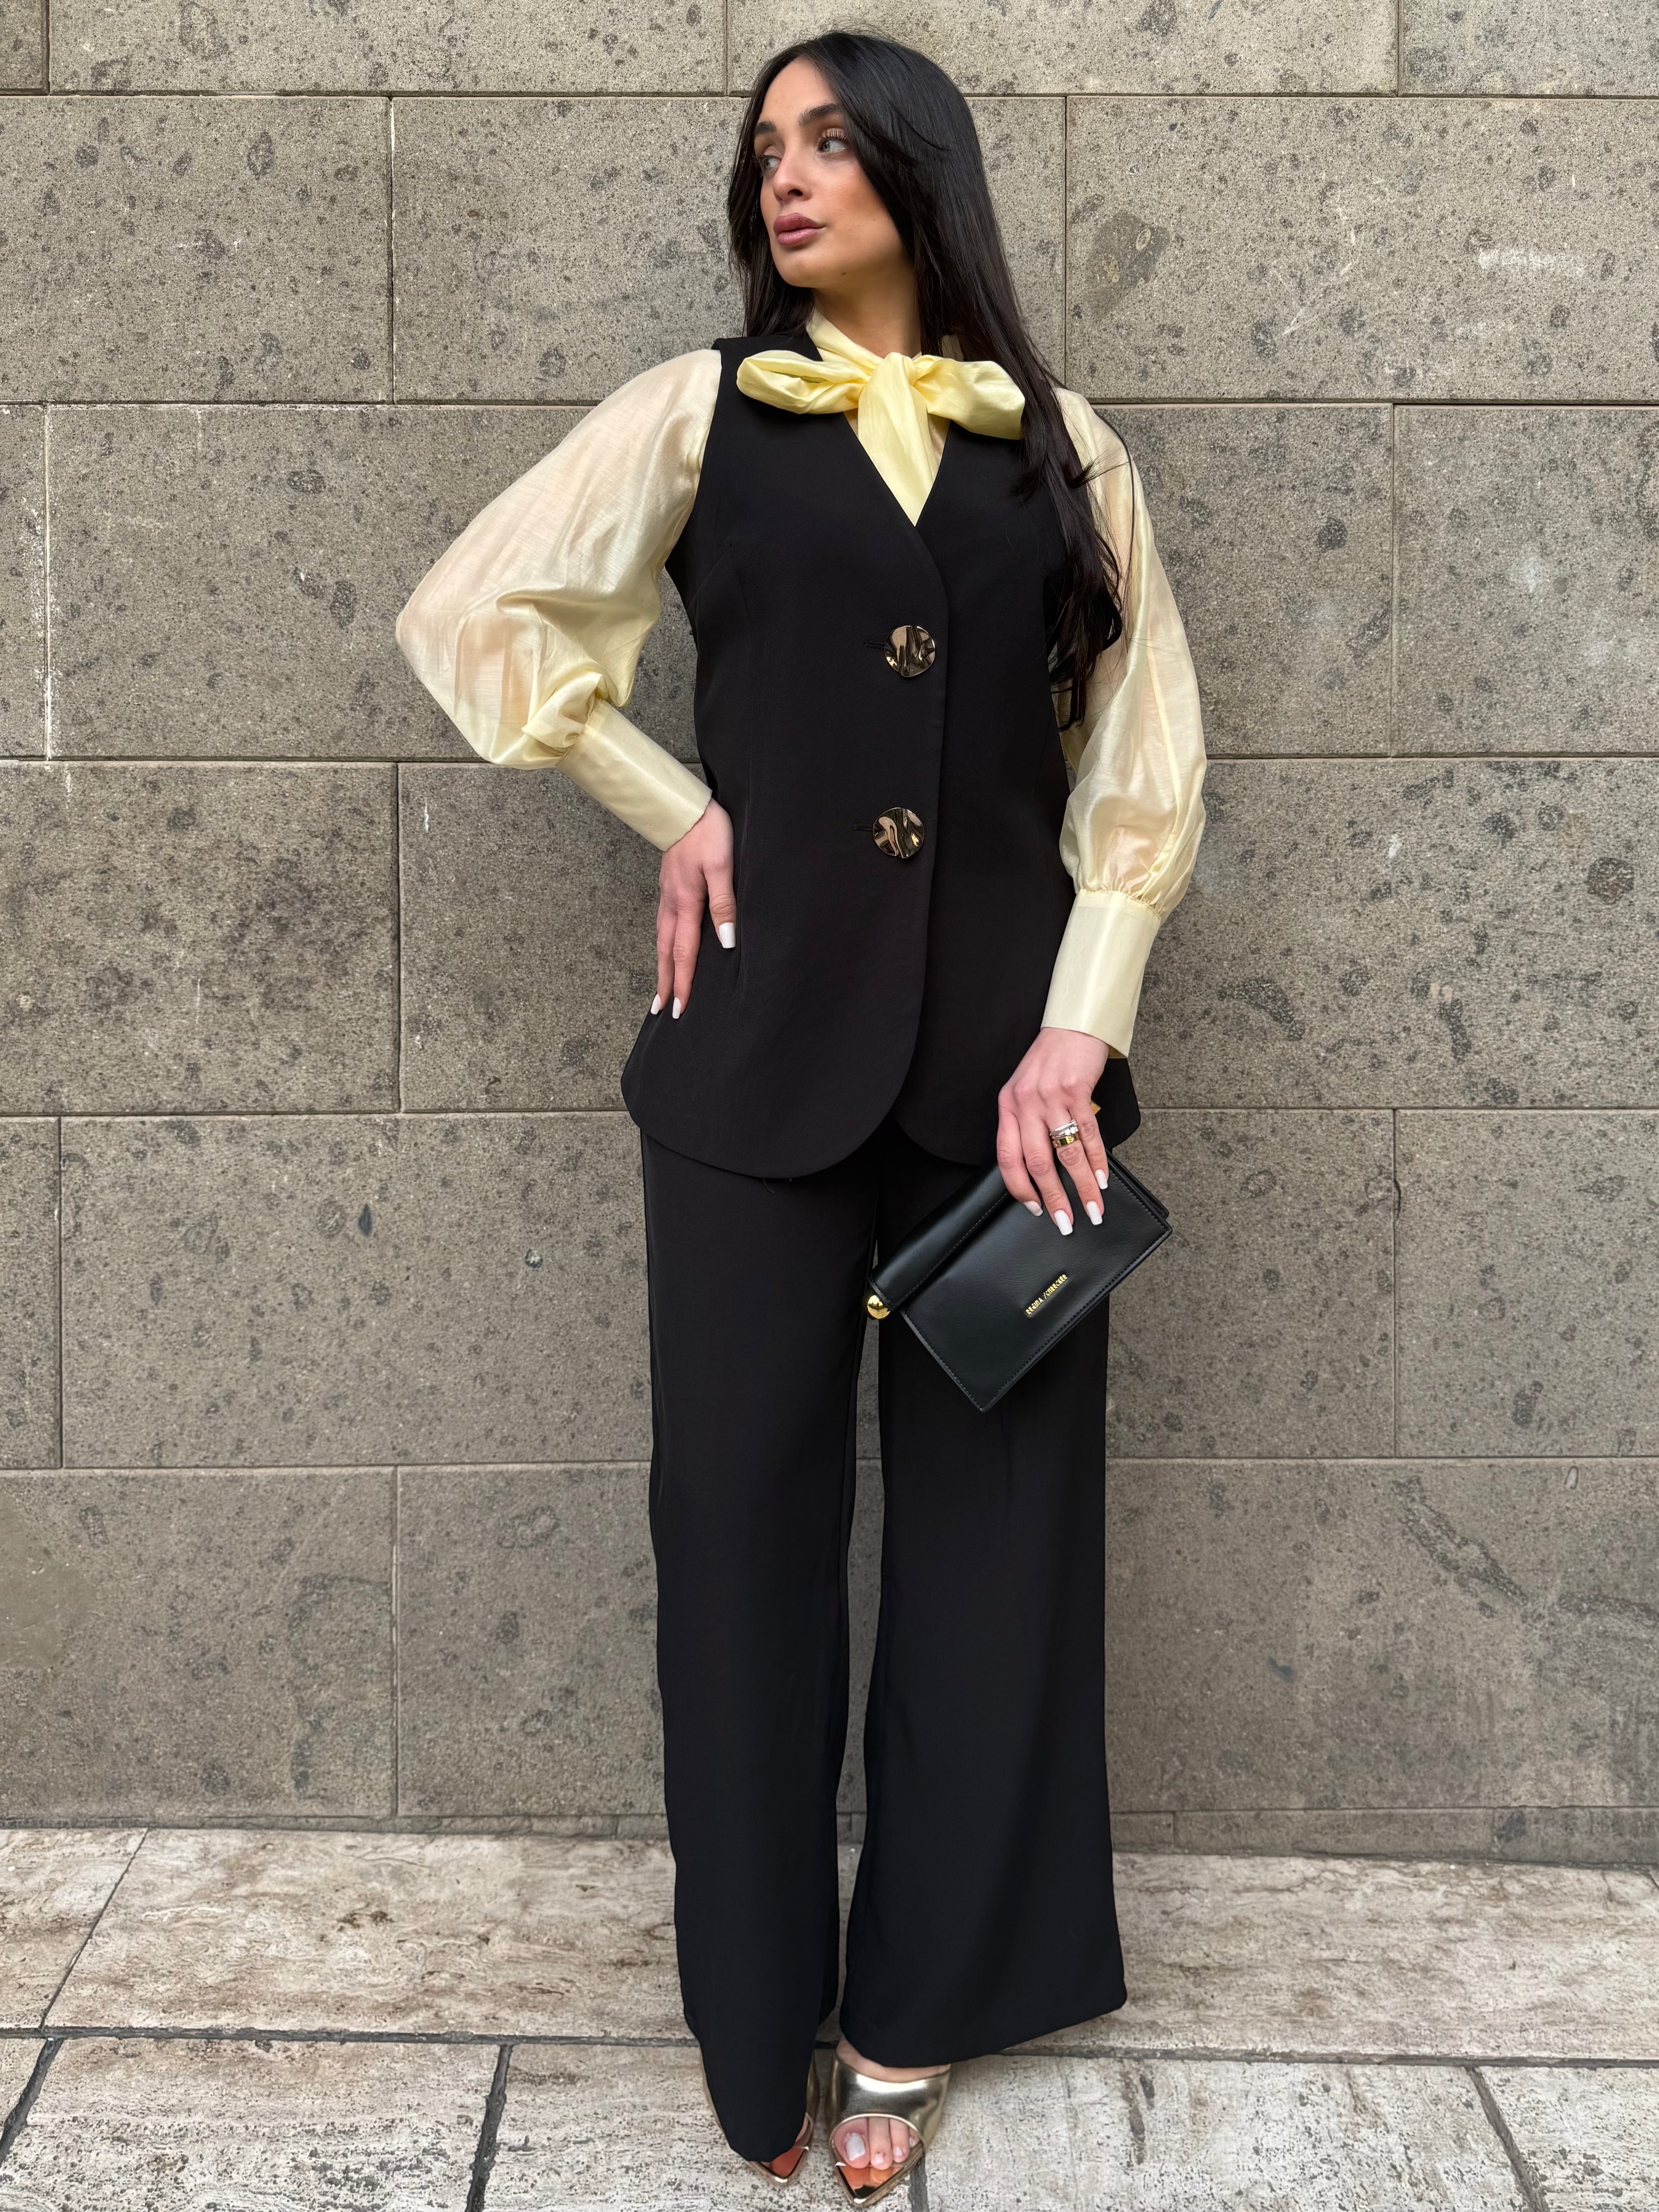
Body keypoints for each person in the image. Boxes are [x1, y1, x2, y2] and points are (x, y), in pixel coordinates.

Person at [395, 29, 1206, 2202]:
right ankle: (757, 2020)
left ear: (921, 172)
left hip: (1012, 1088)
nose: (789, 176)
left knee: (998, 1549)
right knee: (737, 1532)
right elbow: (473, 612)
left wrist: (1078, 1030)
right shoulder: (695, 413)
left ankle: (919, 2011)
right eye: (766, 147)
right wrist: (668, 800)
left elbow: (1143, 764)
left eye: (833, 141)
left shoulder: (1066, 450)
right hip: (752, 1066)